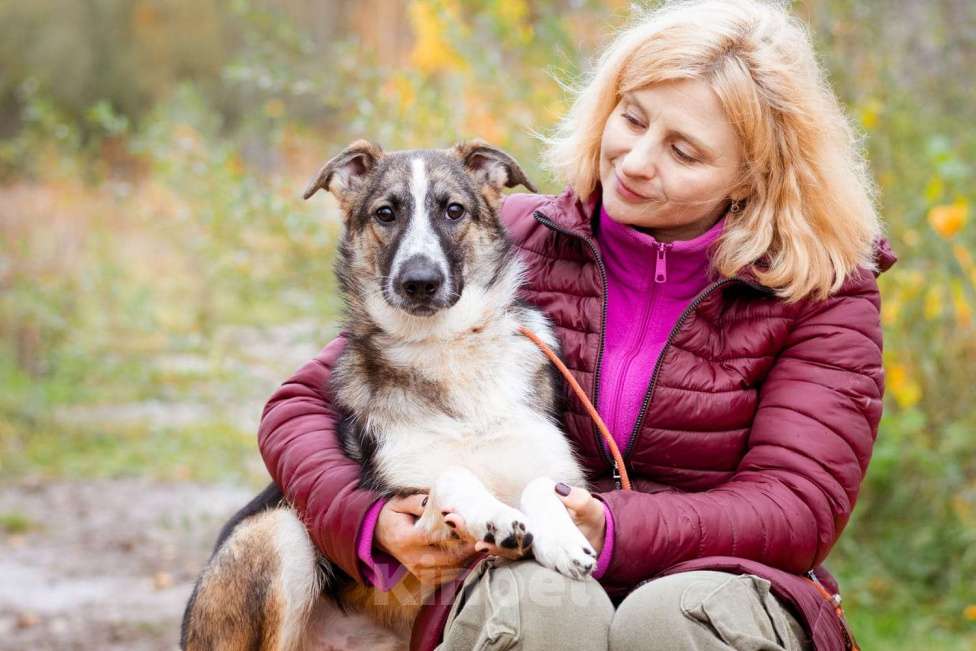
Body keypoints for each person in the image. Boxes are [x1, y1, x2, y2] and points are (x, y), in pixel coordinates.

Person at [258, 0, 896, 648]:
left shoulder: (823, 289)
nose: (637, 160)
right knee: (545, 604)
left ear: (755, 174)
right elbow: (302, 407)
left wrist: (610, 527)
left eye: (683, 149)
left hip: (719, 582)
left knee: (670, 621)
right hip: (529, 563)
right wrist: (373, 523)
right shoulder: (506, 239)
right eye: (633, 117)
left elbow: (797, 507)